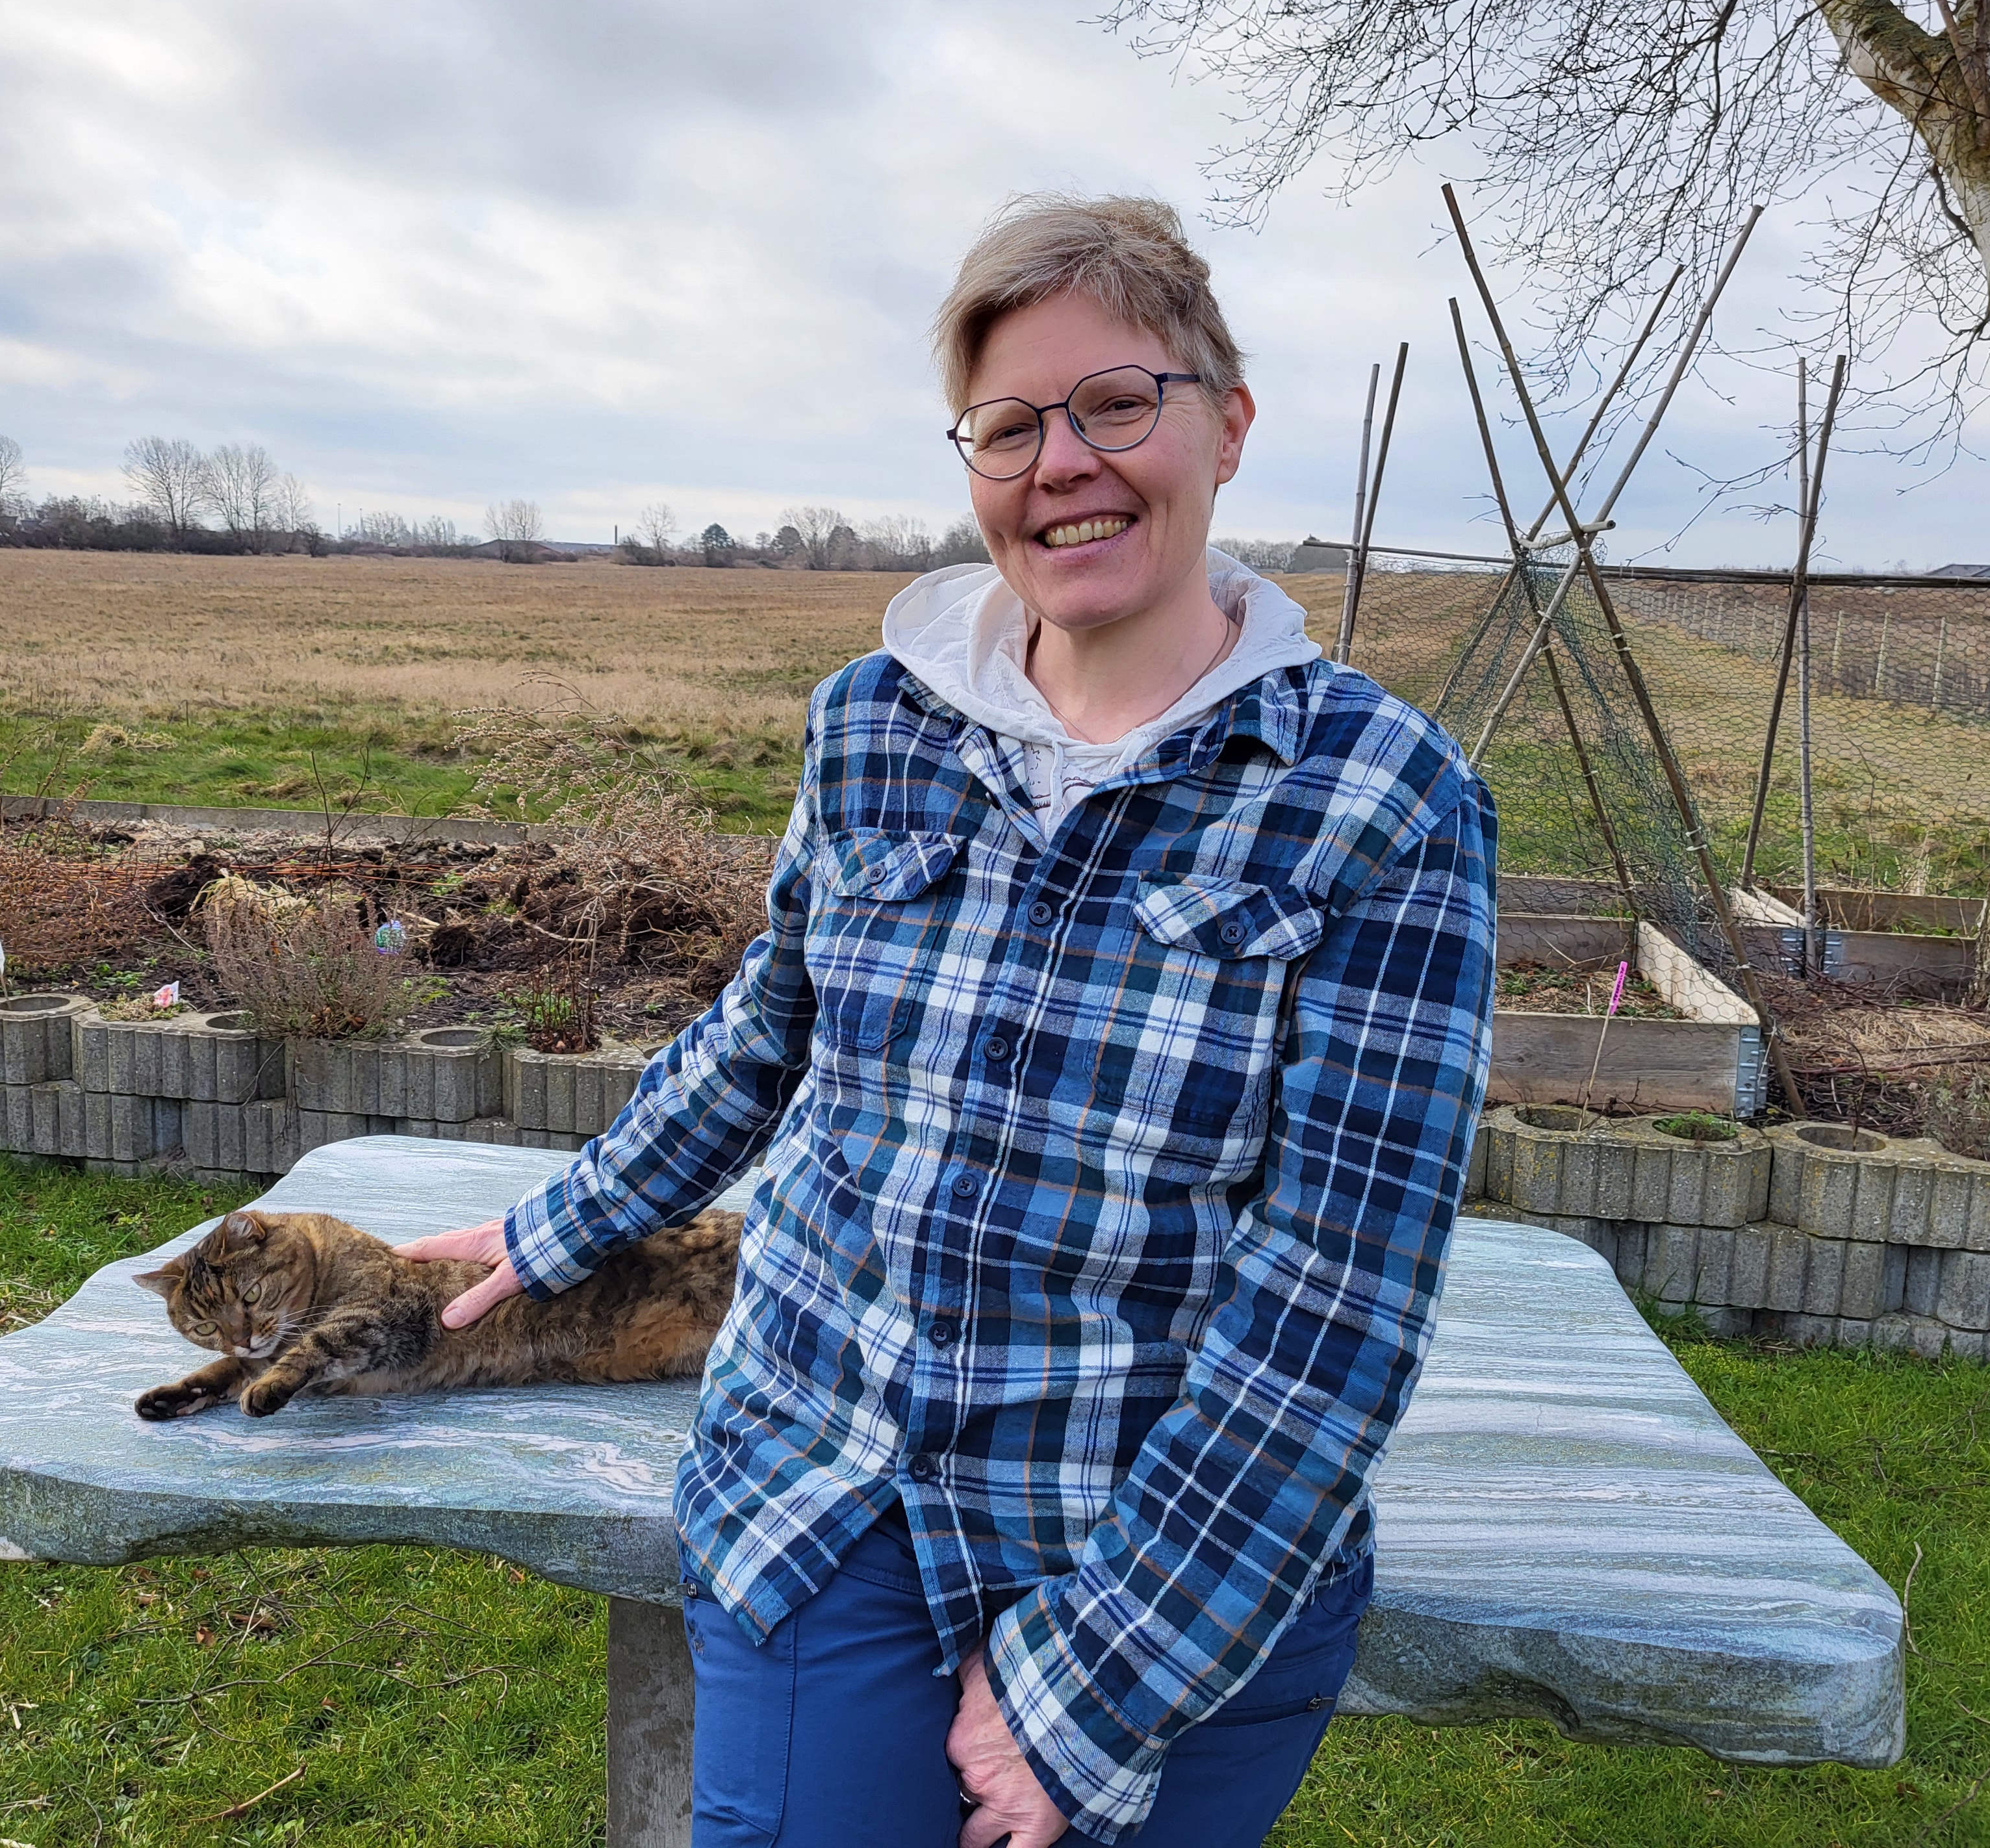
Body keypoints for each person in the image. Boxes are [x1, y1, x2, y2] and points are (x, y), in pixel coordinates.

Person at [398, 194, 1496, 1847]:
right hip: (832, 1479)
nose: (1062, 461)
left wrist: (1101, 1678)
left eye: (1116, 403)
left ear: (1227, 425)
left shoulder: (1380, 796)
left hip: (1165, 1529)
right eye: (1007, 425)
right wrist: (566, 1223)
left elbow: (1340, 1289)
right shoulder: (874, 724)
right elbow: (771, 1023)